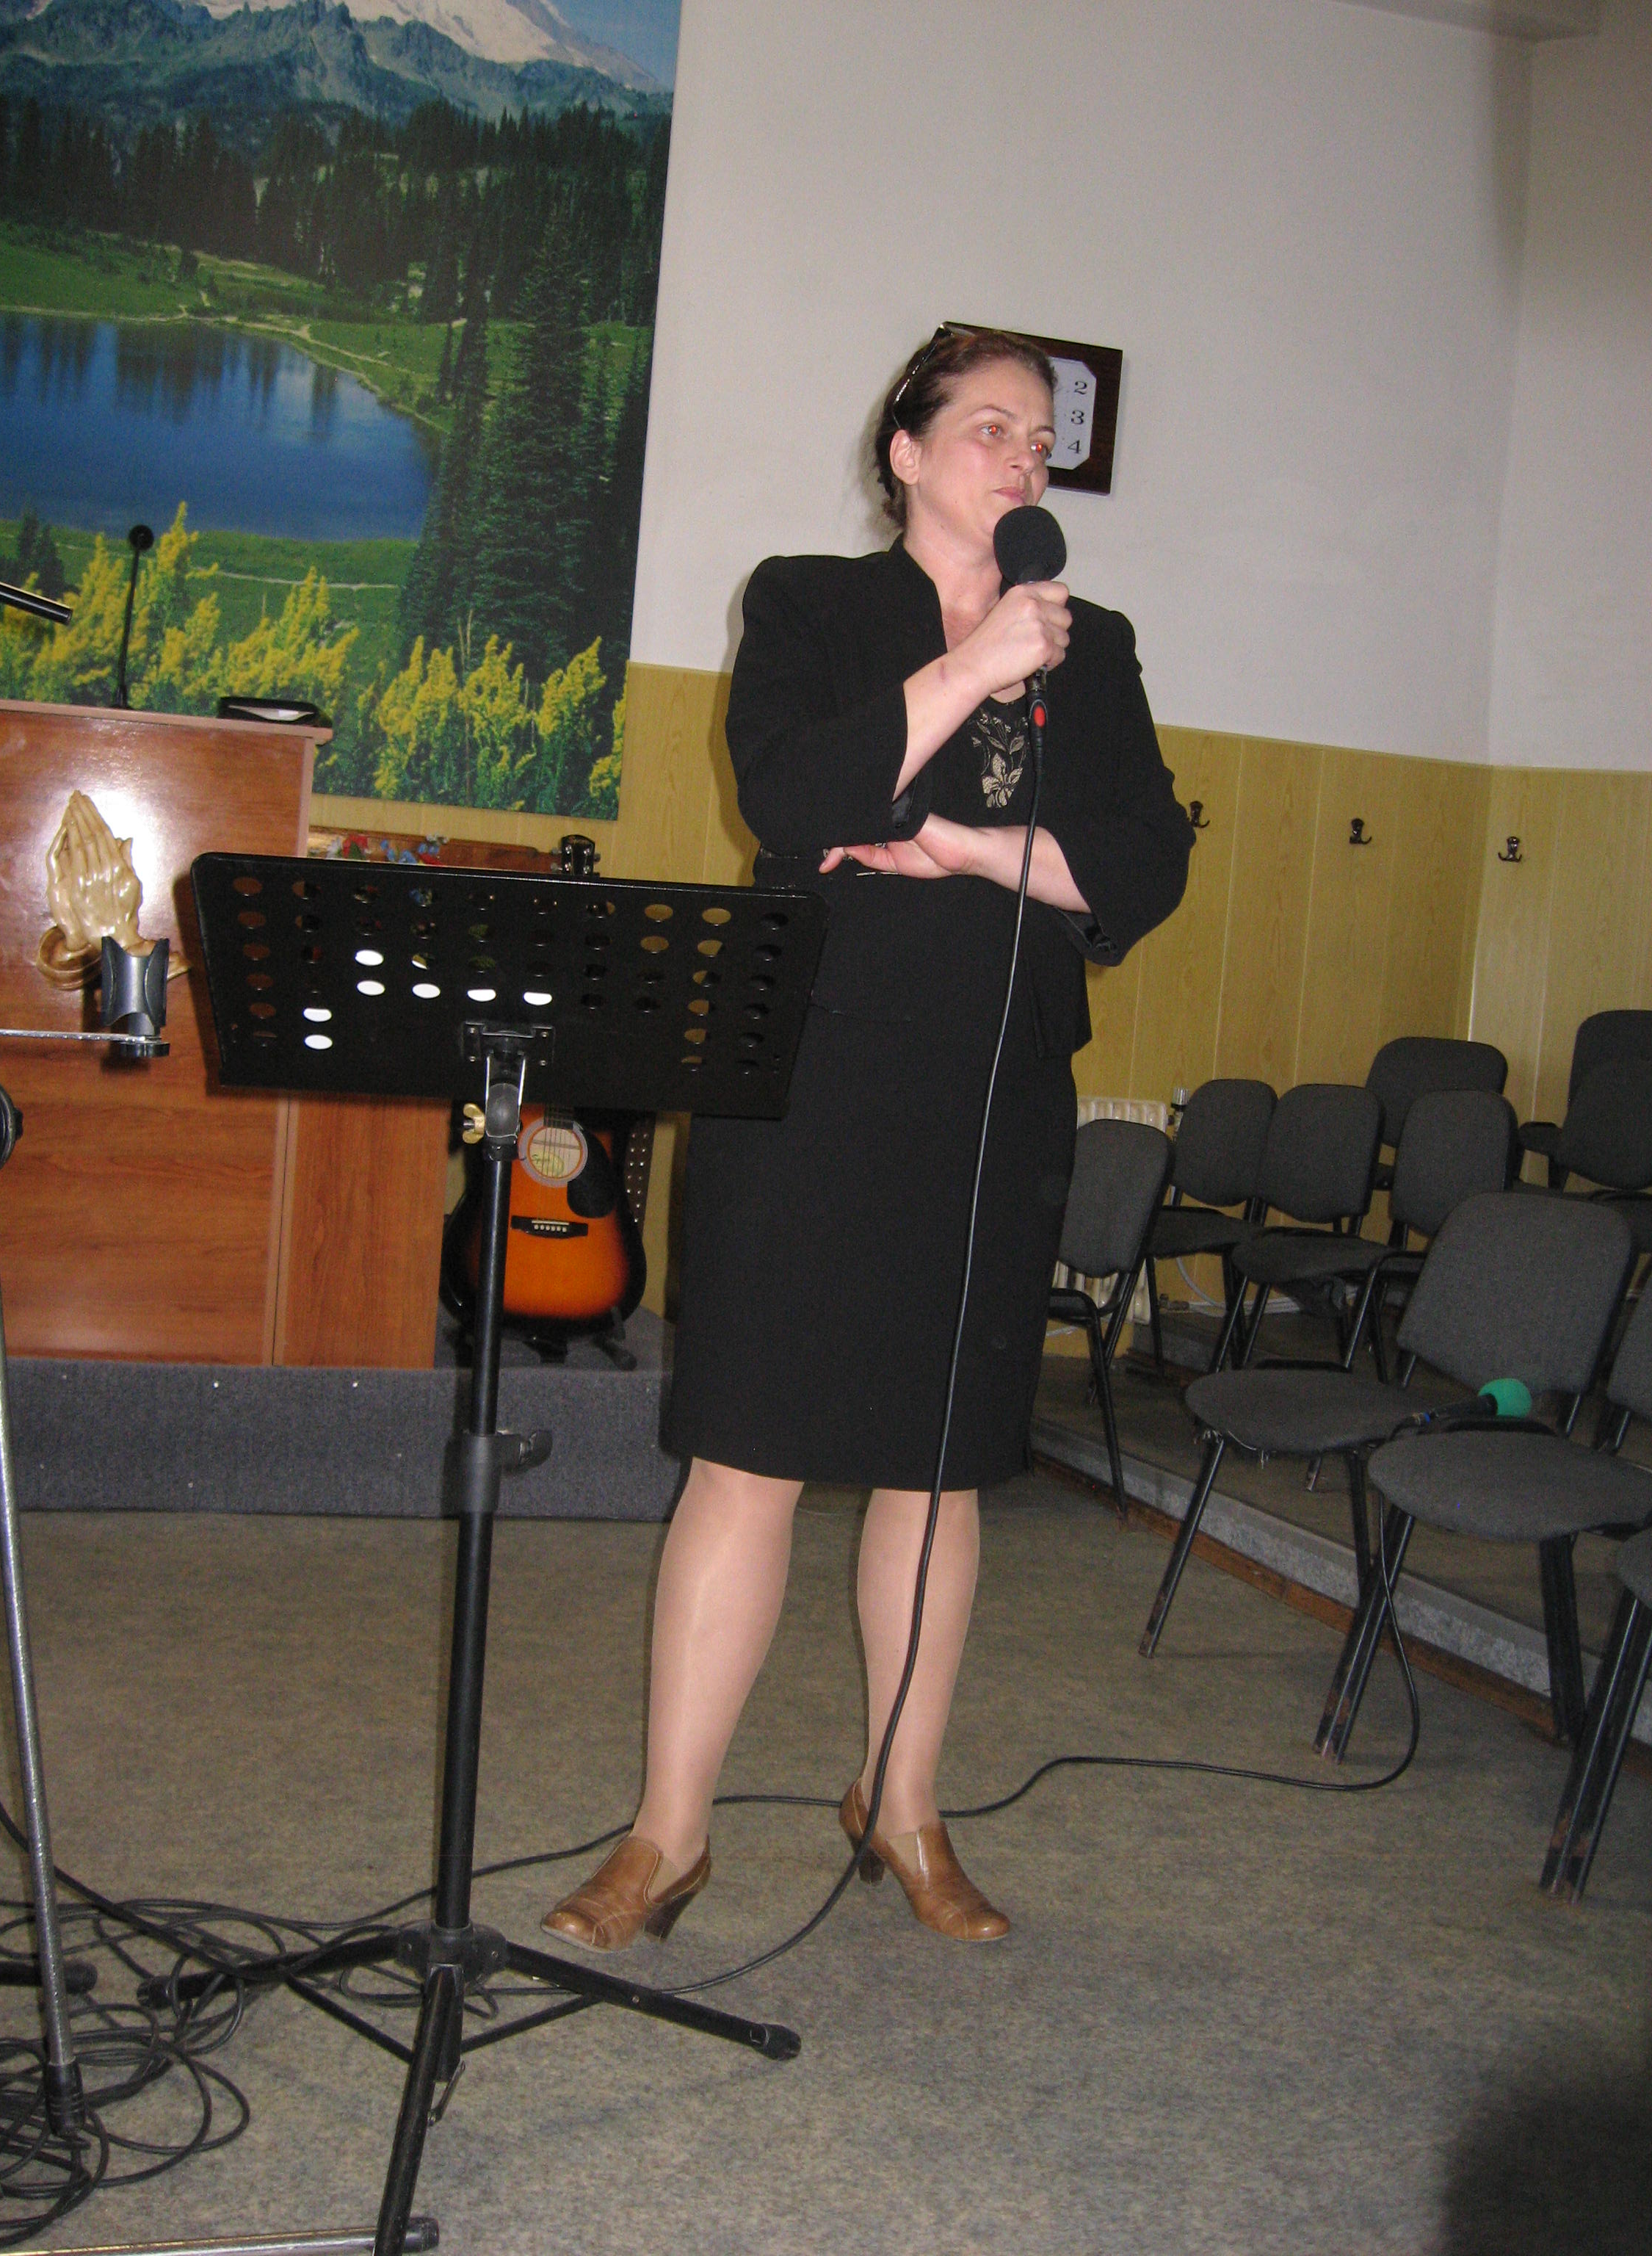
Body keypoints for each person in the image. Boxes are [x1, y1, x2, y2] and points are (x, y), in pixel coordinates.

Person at [543, 326, 1194, 1951]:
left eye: (1041, 440)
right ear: (905, 452)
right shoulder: (810, 606)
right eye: (990, 428)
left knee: (937, 1464)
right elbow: (801, 802)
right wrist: (972, 670)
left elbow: (1142, 868)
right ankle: (667, 1835)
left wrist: (965, 846)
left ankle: (901, 1805)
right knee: (747, 1454)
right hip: (808, 1075)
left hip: (990, 1093)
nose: (1023, 459)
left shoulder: (1096, 647)